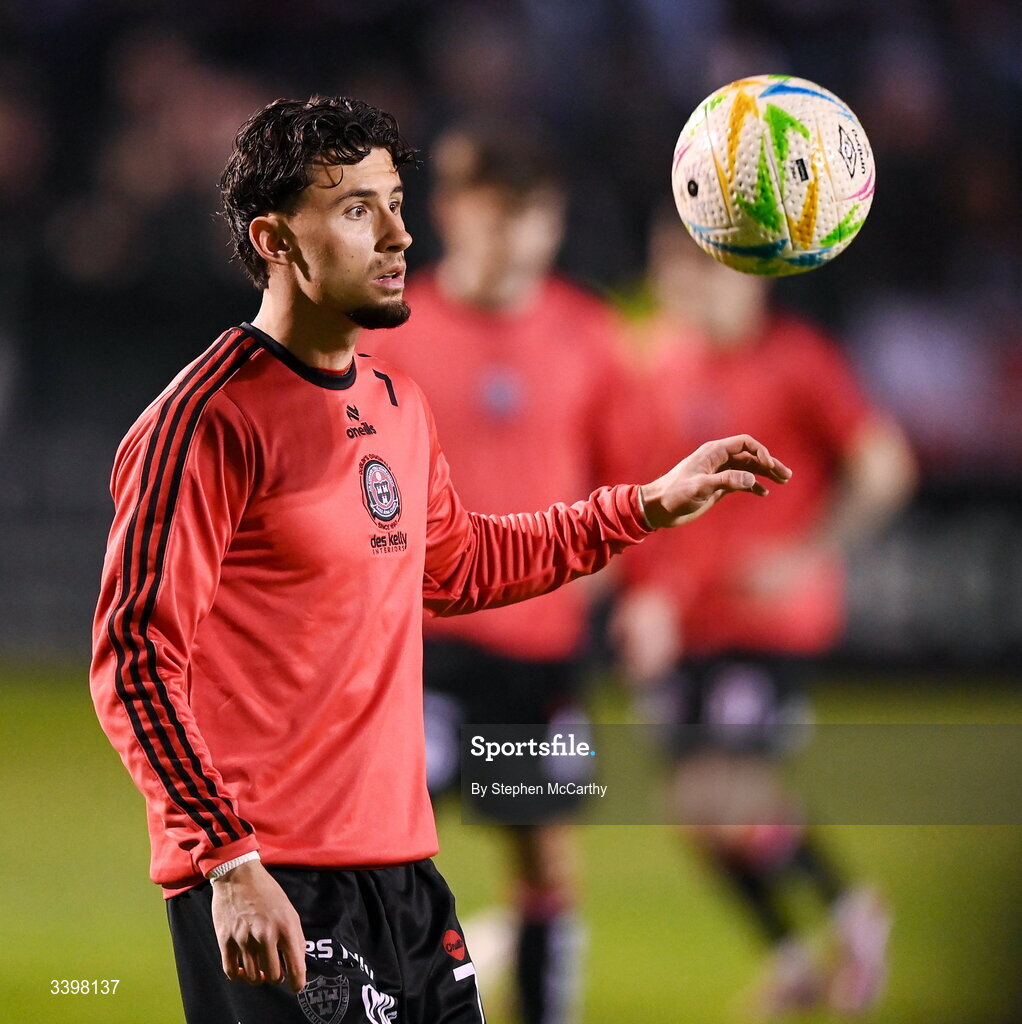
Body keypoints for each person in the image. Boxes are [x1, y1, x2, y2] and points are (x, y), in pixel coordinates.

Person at [88, 95, 791, 1024]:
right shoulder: (205, 422)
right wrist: (227, 863)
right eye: (355, 210)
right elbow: (134, 659)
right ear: (274, 240)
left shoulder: (394, 402)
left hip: (407, 878)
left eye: (395, 203)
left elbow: (458, 563)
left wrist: (646, 506)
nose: (398, 235)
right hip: (274, 879)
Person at [611, 209, 916, 1018]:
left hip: (772, 621)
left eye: (696, 275)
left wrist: (807, 556)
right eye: (668, 276)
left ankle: (854, 916)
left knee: (729, 791)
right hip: (690, 621)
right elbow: (645, 501)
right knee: (694, 814)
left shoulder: (796, 360)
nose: (679, 293)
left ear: (741, 273)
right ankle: (791, 956)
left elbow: (886, 466)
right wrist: (646, 602)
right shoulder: (661, 368)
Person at [372, 124, 620, 1024]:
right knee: (382, 838)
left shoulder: (591, 337)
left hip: (538, 651)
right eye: (490, 210)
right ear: (448, 214)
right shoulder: (392, 330)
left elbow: (624, 474)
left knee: (542, 860)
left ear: (552, 223)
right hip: (422, 648)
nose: (508, 232)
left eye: (527, 213)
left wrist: (617, 575)